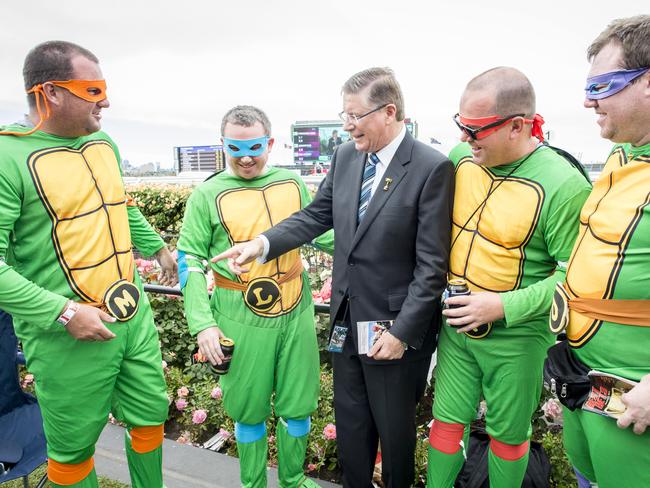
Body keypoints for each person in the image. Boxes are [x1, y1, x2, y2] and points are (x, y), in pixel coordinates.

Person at [214, 67, 454, 488]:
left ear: (389, 112)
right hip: (346, 325)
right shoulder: (346, 156)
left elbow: (432, 267)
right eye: (344, 114)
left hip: (394, 335)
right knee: (352, 434)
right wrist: (262, 244)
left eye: (354, 115)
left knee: (395, 442)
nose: (347, 125)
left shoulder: (432, 168)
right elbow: (315, 215)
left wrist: (401, 333)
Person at [0, 41, 176, 488]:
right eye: (93, 90)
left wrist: (156, 248)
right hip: (67, 333)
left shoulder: (103, 142)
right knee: (73, 448)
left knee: (150, 415)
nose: (107, 101)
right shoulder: (7, 157)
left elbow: (121, 203)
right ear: (51, 93)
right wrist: (63, 313)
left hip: (132, 315)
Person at [427, 67, 591, 488]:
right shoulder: (461, 159)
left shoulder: (563, 183)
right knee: (445, 423)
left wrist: (501, 305)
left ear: (518, 125)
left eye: (476, 128)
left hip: (517, 336)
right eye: (460, 125)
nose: (465, 137)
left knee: (509, 434)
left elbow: (575, 277)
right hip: (457, 325)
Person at [176, 105, 333, 488]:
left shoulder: (292, 183)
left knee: (299, 404)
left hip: (296, 306)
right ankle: (254, 484)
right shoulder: (207, 194)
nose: (246, 157)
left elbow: (320, 232)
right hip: (238, 313)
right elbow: (190, 261)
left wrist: (379, 249)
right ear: (223, 145)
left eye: (255, 147)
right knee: (247, 409)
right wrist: (203, 324)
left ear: (271, 143)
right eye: (235, 148)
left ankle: (293, 481)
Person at [557, 15, 650, 487]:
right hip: (586, 387)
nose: (588, 99)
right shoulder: (622, 155)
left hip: (637, 403)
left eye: (603, 84)